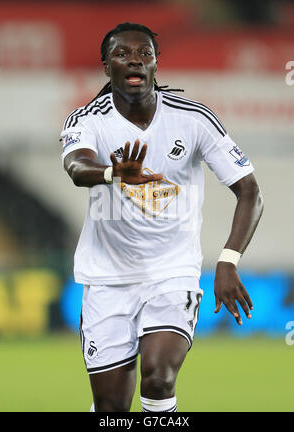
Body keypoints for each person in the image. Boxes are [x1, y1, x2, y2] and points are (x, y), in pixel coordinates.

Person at [60, 22, 263, 412]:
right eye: (122, 54)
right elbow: (76, 167)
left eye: (144, 53)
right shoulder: (87, 120)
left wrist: (228, 260)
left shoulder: (194, 118)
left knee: (157, 378)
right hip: (106, 279)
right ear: (106, 66)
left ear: (156, 63)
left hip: (173, 272)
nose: (135, 59)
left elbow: (249, 190)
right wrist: (113, 172)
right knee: (110, 407)